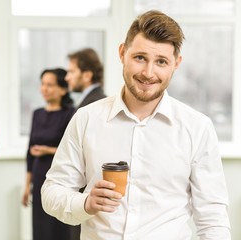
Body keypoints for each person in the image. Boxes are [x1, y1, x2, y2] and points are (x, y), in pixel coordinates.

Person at [41, 10, 231, 239]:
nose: (148, 73)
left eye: (161, 61)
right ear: (122, 53)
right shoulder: (86, 118)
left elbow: (213, 218)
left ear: (176, 64)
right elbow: (52, 192)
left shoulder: (197, 127)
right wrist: (86, 203)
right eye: (140, 58)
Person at [22, 68, 75, 240]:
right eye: (43, 84)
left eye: (50, 85)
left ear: (63, 89)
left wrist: (48, 150)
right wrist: (27, 185)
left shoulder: (71, 114)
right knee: (40, 227)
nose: (44, 88)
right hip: (39, 176)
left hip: (61, 177)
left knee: (59, 226)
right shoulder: (37, 114)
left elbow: (73, 150)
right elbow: (29, 153)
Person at [65, 48, 106, 239]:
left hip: (88, 195)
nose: (67, 77)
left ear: (87, 74)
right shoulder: (86, 103)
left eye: (72, 71)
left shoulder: (94, 106)